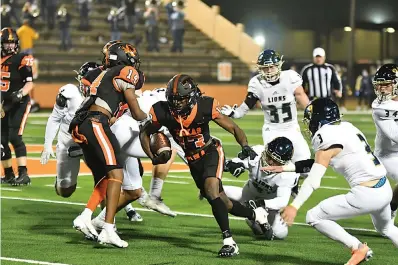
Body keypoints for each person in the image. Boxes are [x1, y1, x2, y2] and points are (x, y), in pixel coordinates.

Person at [140, 74, 270, 257]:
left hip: (211, 152)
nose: (177, 104)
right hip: (193, 160)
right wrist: (152, 156)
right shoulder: (162, 111)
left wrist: (245, 146)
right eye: (173, 99)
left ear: (192, 96)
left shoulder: (204, 105)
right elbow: (144, 133)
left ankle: (229, 242)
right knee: (223, 202)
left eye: (182, 99)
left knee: (211, 190)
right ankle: (256, 214)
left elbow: (233, 127)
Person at [263, 98, 398, 265]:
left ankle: (357, 248)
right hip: (384, 188)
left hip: (367, 193)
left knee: (314, 216)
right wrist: (286, 168)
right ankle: (359, 249)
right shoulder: (347, 127)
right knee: (386, 228)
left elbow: (314, 179)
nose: (309, 123)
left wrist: (294, 206)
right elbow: (319, 162)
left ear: (318, 118)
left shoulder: (325, 135)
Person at [69, 42, 148, 247]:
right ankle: (108, 229)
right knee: (117, 174)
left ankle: (86, 216)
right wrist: (149, 119)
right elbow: (136, 110)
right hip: (96, 123)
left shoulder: (100, 73)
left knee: (108, 175)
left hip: (88, 123)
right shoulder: (126, 72)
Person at [220, 49, 310, 165]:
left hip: (292, 128)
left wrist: (311, 110)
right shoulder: (256, 83)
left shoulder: (290, 77)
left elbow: (301, 95)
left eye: (271, 67)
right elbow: (246, 107)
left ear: (278, 66)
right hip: (272, 130)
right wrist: (234, 113)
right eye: (265, 68)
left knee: (305, 167)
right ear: (260, 68)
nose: (269, 71)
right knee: (276, 166)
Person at [223, 137, 298, 240]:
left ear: (284, 163)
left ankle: (252, 218)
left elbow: (282, 201)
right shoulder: (257, 152)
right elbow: (236, 162)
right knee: (219, 193)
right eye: (269, 157)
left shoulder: (288, 173)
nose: (270, 162)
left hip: (268, 204)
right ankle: (220, 189)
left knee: (280, 233)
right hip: (249, 193)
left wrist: (262, 204)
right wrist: (233, 165)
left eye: (276, 161)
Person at [1, 27, 35, 185]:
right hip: (3, 104)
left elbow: (29, 83)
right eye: (7, 43)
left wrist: (20, 93)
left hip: (19, 103)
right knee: (1, 140)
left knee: (15, 137)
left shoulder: (22, 58)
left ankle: (23, 173)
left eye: (12, 43)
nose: (10, 46)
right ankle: (8, 174)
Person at [371, 63, 398, 219]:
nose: (382, 88)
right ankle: (389, 209)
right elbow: (394, 135)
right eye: (379, 85)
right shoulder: (379, 106)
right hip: (387, 155)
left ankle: (392, 206)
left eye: (386, 84)